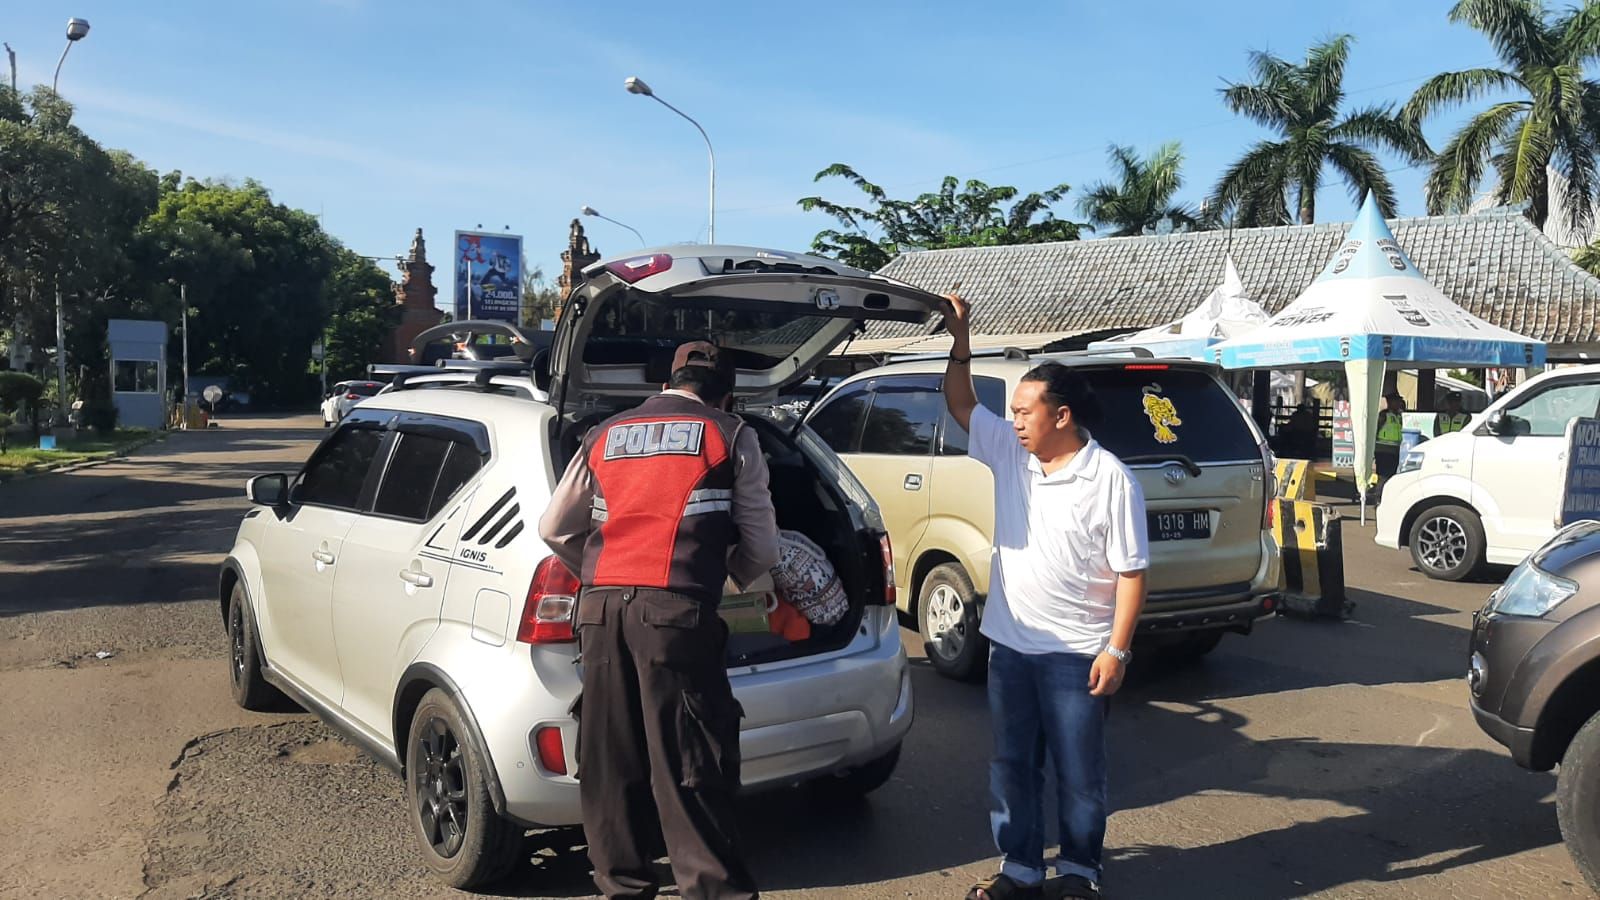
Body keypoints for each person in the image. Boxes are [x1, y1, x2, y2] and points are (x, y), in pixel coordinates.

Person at [538, 341, 778, 900]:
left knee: (608, 759)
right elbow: (764, 547)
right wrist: (728, 578)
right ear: (727, 395)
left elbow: (553, 527)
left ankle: (622, 886)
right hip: (675, 615)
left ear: (666, 383)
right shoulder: (730, 434)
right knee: (690, 762)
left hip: (599, 613)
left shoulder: (603, 434)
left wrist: (600, 574)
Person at [940, 295, 1149, 900]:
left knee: (1079, 774)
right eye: (1012, 413)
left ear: (1061, 415)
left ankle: (1080, 873)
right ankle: (1021, 870)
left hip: (1076, 654)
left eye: (1023, 412)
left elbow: (1132, 573)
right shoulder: (1012, 453)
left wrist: (1117, 651)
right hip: (1010, 647)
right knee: (1012, 767)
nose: (1013, 422)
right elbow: (961, 404)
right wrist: (961, 343)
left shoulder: (1109, 479)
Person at [1374, 392, 1406, 491]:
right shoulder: (1384, 415)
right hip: (1383, 450)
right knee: (1383, 476)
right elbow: (1375, 430)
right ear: (1390, 402)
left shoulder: (1399, 416)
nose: (1398, 403)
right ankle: (1379, 495)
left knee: (1393, 476)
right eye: (1396, 401)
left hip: (1395, 451)